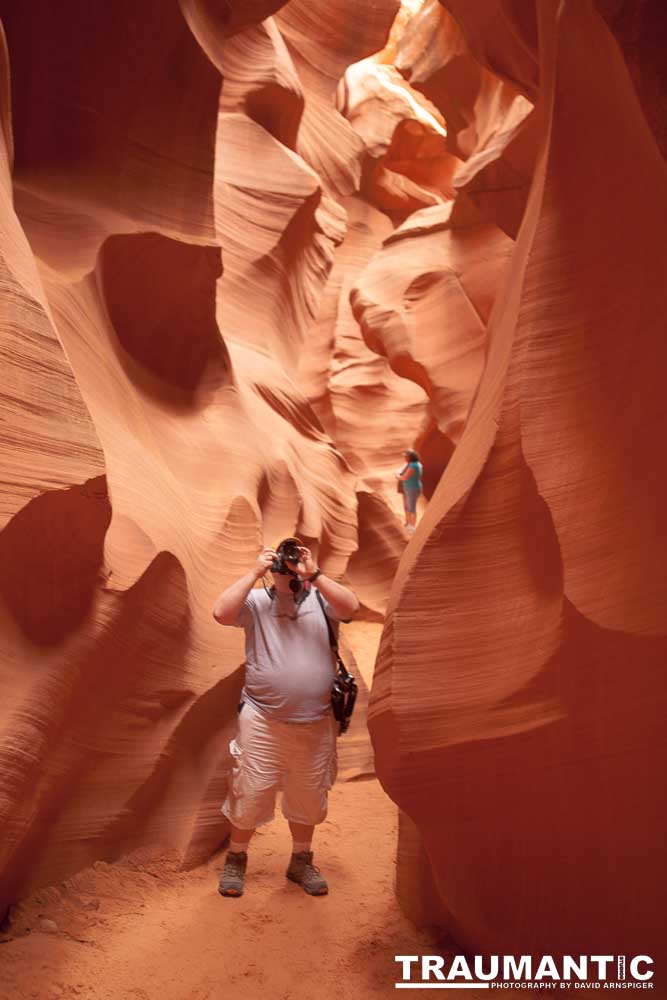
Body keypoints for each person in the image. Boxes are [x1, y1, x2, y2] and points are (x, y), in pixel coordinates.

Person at [212, 538, 359, 898]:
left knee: (309, 794)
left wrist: (316, 574)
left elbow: (351, 607)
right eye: (283, 559)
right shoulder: (257, 602)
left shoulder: (322, 599)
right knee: (250, 789)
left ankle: (301, 861)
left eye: (293, 559)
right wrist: (254, 571)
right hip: (262, 718)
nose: (288, 564)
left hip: (316, 719)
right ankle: (237, 858)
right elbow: (221, 613)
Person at [395, 448, 423, 531]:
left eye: (406, 456)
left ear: (410, 457)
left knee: (411, 507)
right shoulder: (411, 464)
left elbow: (405, 477)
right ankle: (408, 523)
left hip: (412, 488)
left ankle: (412, 526)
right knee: (407, 507)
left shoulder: (413, 465)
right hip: (409, 488)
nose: (405, 458)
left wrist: (397, 476)